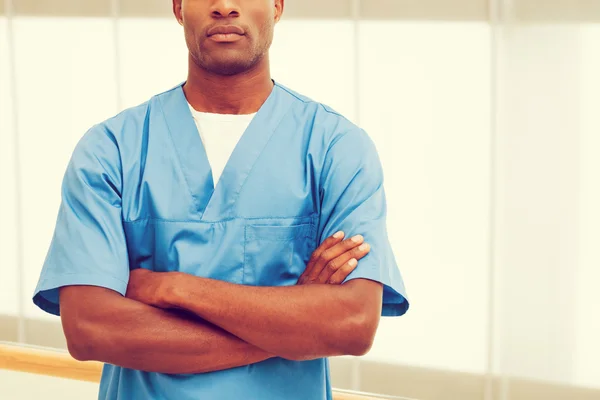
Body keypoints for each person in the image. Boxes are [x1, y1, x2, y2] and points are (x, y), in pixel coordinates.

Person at [32, 0, 409, 399]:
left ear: (277, 6)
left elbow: (351, 324)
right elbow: (91, 331)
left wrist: (173, 288)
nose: (225, 6)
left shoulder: (337, 148)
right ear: (178, 8)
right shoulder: (111, 150)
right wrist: (294, 326)